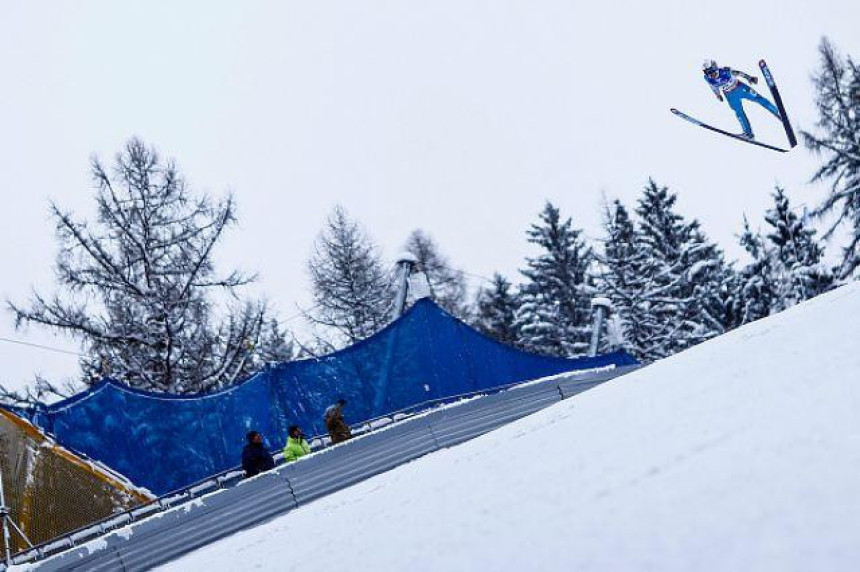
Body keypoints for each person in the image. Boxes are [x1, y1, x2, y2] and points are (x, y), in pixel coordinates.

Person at [702, 59, 781, 139]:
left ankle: (779, 113)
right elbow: (713, 86)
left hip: (740, 88)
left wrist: (749, 78)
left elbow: (739, 73)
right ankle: (748, 134)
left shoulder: (725, 71)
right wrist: (718, 94)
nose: (712, 76)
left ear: (716, 68)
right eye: (709, 74)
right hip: (729, 95)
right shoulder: (708, 78)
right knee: (739, 112)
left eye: (713, 73)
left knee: (759, 99)